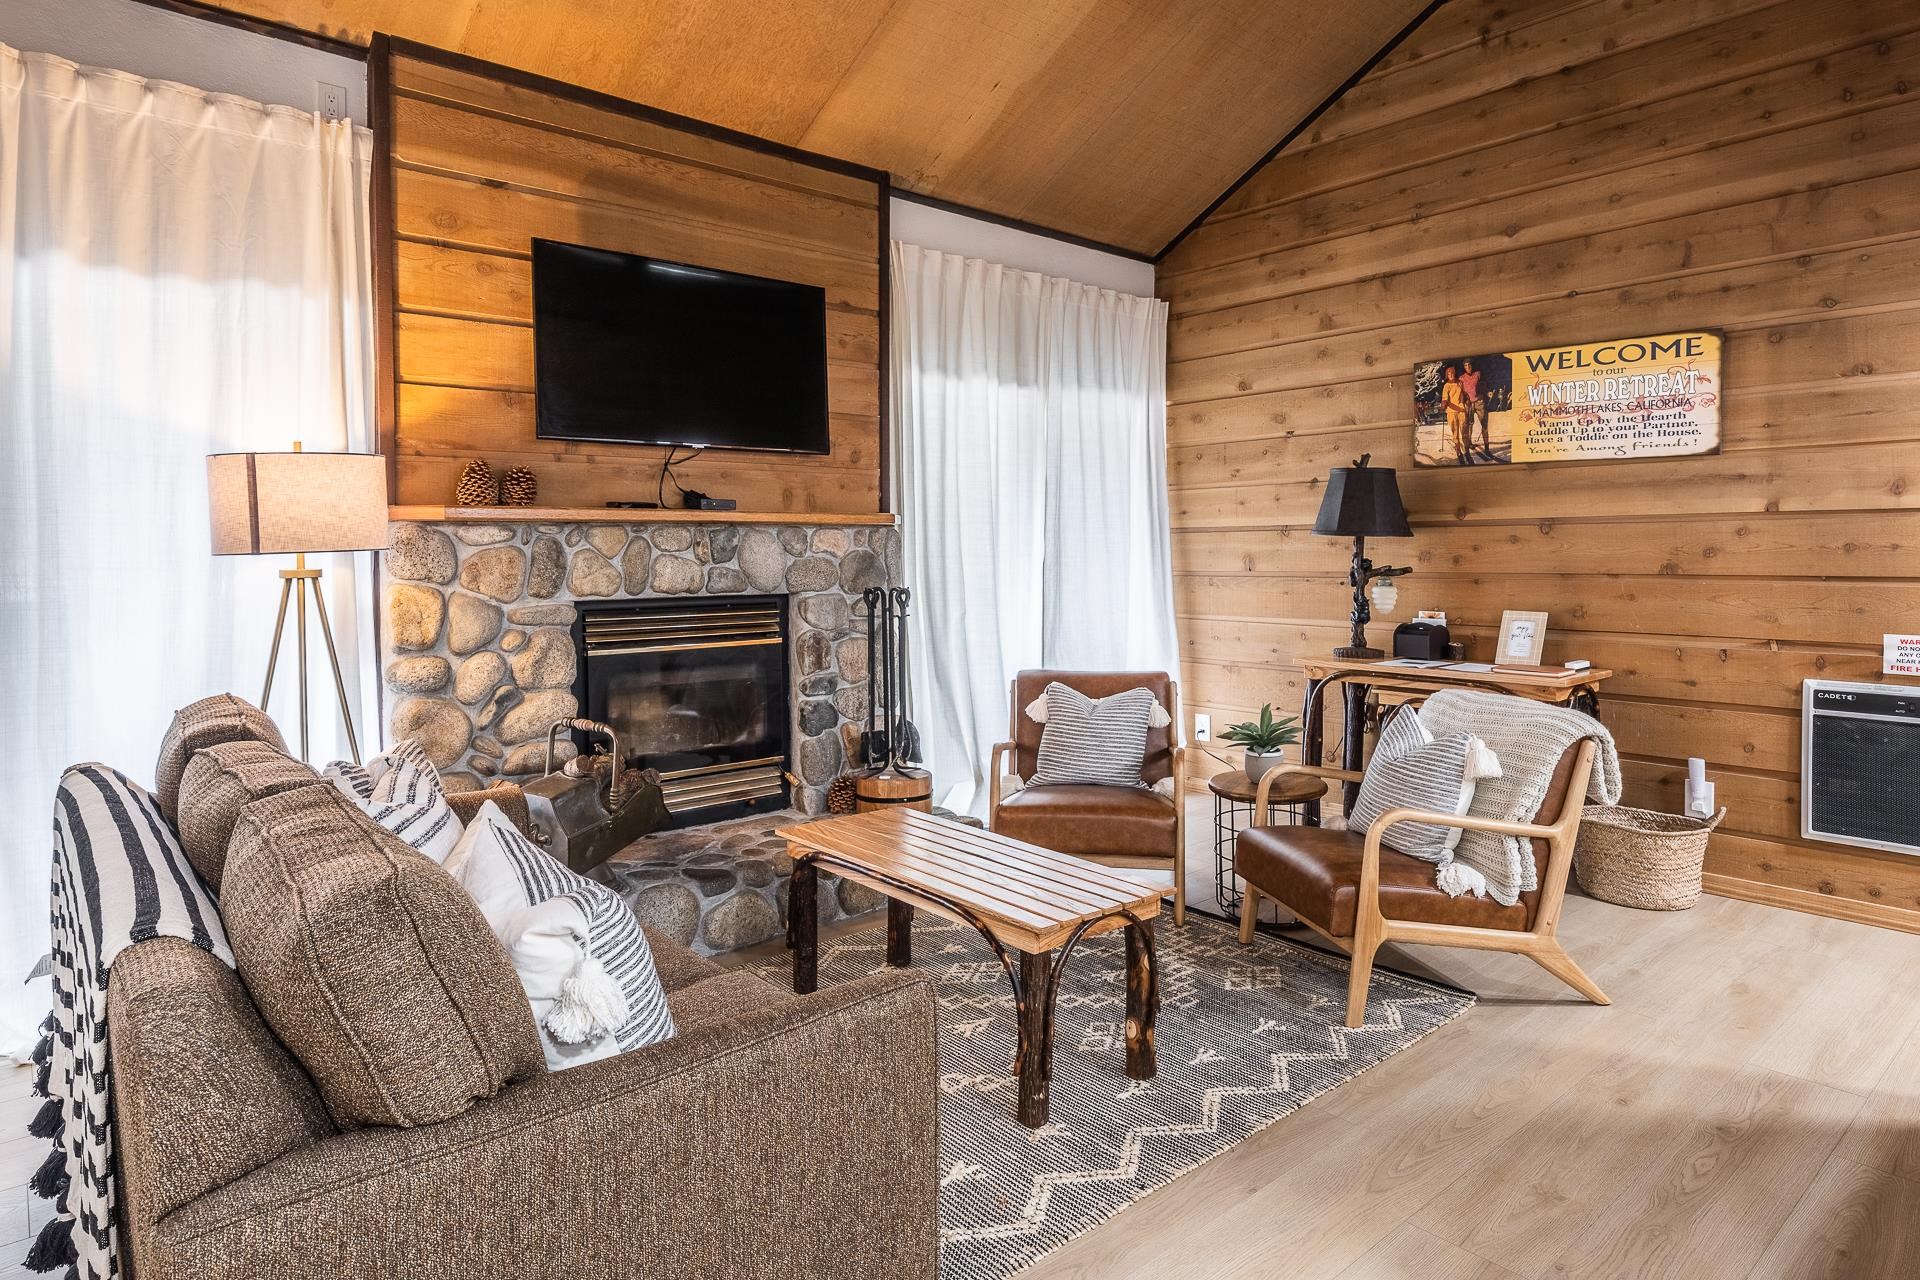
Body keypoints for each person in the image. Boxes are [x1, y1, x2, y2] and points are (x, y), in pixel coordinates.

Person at [1440, 365, 1472, 464]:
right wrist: (1444, 404)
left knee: (1464, 432)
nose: (1451, 375)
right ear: (1447, 375)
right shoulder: (1446, 385)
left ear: (1455, 374)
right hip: (1451, 412)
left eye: (1452, 373)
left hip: (1461, 410)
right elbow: (1444, 398)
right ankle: (1458, 451)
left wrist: (1467, 399)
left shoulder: (1460, 383)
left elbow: (1464, 393)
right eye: (1449, 374)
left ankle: (1466, 451)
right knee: (1455, 433)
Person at [1461, 358, 1491, 458]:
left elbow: (1486, 385)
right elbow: (1460, 392)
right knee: (1469, 424)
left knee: (1484, 424)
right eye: (1465, 365)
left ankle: (1487, 448)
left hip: (1479, 402)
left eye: (1469, 365)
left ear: (1472, 365)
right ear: (1464, 367)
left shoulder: (1478, 374)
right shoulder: (1461, 378)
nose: (1468, 367)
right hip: (1468, 404)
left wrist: (1488, 392)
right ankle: (1469, 443)